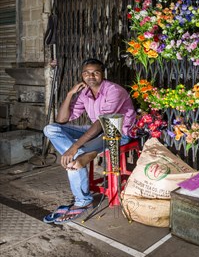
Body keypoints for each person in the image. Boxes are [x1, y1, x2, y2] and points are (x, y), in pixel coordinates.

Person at [42, 58, 136, 224]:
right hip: (95, 131)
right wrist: (71, 94)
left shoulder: (114, 90)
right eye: (86, 73)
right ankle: (80, 156)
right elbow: (62, 119)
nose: (90, 76)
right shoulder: (84, 93)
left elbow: (102, 122)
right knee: (50, 129)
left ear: (103, 74)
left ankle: (83, 200)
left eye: (95, 72)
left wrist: (74, 147)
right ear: (82, 75)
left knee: (74, 160)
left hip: (118, 132)